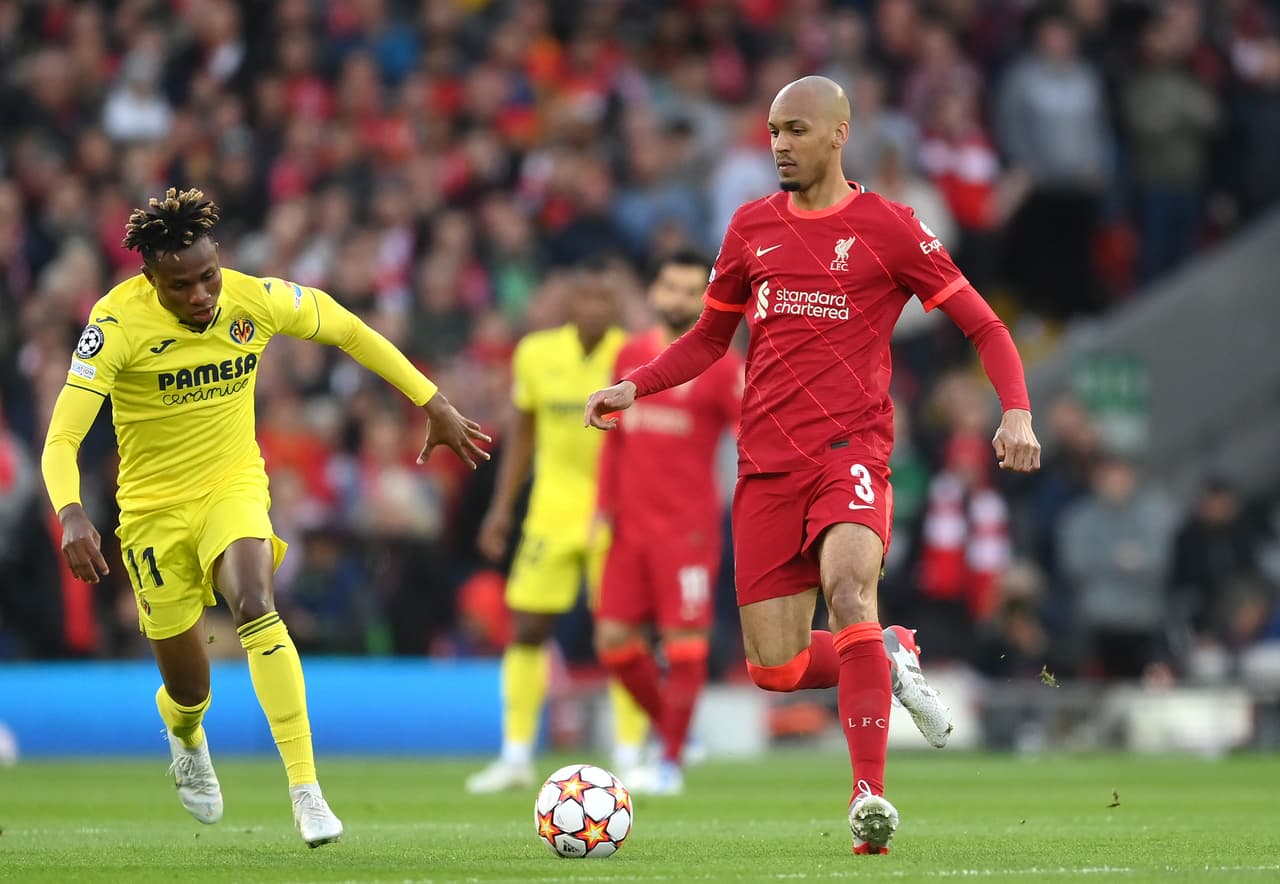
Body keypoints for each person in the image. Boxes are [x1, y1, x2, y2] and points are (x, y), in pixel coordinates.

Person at [586, 77, 1040, 854]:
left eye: (795, 129)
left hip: (850, 452)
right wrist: (638, 383)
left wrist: (1017, 408)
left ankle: (869, 801)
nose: (779, 144)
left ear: (839, 133)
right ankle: (891, 655)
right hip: (765, 469)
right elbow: (706, 339)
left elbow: (984, 323)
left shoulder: (890, 228)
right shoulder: (749, 227)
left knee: (849, 590)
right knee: (776, 667)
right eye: (771, 131)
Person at [40, 188, 490, 846]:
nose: (201, 296)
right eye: (180, 287)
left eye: (208, 277)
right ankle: (185, 732)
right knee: (191, 687)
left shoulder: (254, 298)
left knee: (254, 603)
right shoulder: (114, 323)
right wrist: (73, 512)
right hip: (151, 512)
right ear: (149, 280)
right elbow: (60, 438)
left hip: (233, 485)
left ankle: (306, 790)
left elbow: (347, 328)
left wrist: (434, 401)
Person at [467, 264, 626, 793]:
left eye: (605, 299)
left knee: (621, 630)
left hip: (614, 509)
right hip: (551, 509)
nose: (594, 309)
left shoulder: (634, 356)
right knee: (528, 627)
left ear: (616, 304)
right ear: (570, 300)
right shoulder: (535, 353)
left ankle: (631, 751)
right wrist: (500, 509)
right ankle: (515, 754)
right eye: (586, 297)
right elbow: (522, 436)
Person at [593, 249, 743, 795]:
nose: (677, 298)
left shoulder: (722, 367)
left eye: (689, 290)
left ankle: (670, 761)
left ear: (706, 300)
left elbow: (751, 434)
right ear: (655, 291)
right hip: (628, 528)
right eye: (669, 287)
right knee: (612, 642)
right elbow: (613, 441)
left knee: (683, 645)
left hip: (687, 531)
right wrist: (602, 509)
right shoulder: (629, 356)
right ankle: (673, 732)